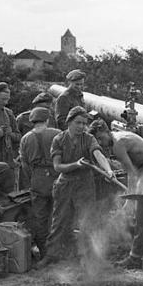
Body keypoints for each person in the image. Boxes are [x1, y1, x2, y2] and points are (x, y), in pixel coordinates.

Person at [40, 106, 114, 266]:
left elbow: (98, 154)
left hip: (85, 185)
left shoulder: (88, 139)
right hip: (65, 184)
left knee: (88, 221)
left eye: (84, 123)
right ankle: (52, 254)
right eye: (78, 123)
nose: (81, 126)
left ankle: (88, 257)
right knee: (60, 221)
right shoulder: (59, 140)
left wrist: (108, 170)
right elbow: (57, 167)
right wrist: (76, 164)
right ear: (69, 122)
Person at [90, 121, 143, 269]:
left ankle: (135, 258)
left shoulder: (118, 145)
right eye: (97, 140)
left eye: (100, 138)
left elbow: (131, 172)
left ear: (106, 131)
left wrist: (130, 199)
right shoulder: (120, 138)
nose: (100, 142)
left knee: (142, 217)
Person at [19, 107, 61, 260]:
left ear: (32, 121)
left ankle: (45, 253)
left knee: (40, 217)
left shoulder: (25, 138)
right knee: (59, 215)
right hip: (57, 176)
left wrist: (34, 177)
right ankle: (60, 249)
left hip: (37, 178)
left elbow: (24, 164)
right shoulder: (57, 134)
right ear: (47, 120)